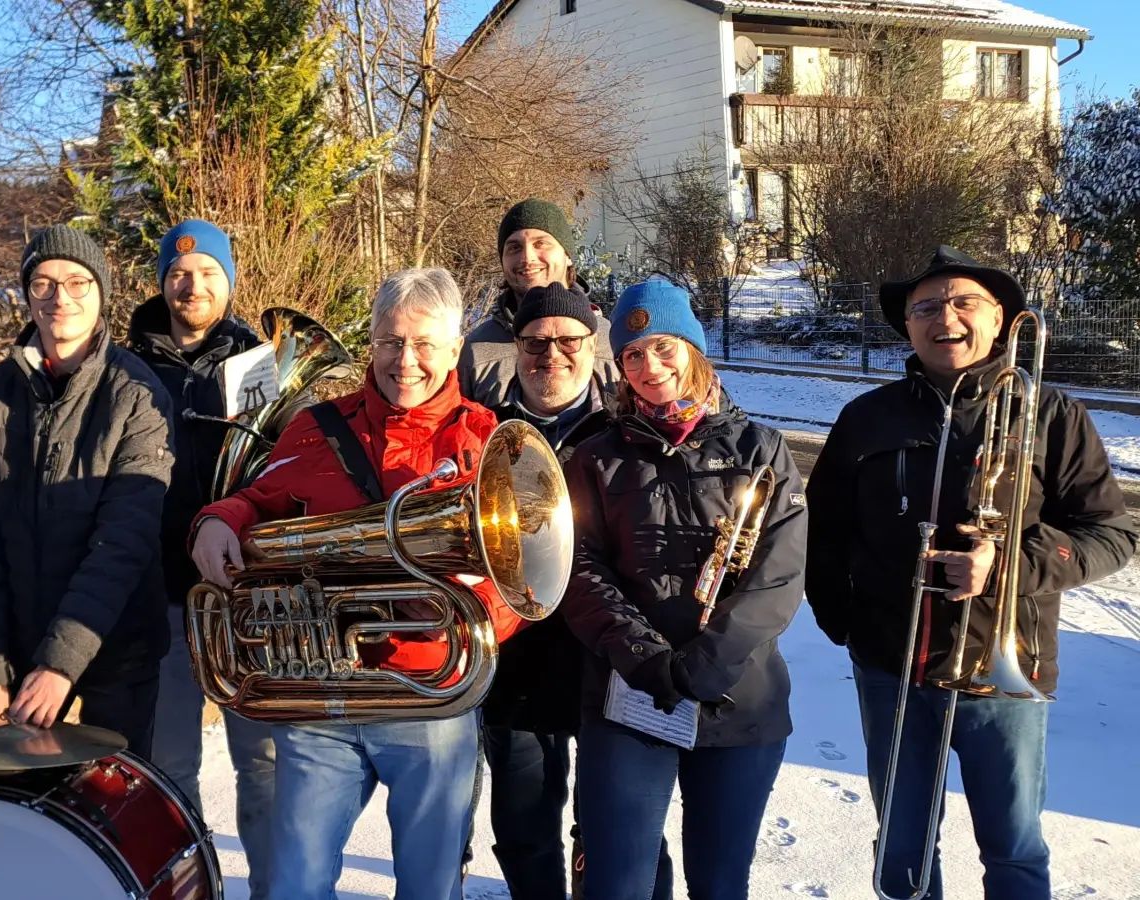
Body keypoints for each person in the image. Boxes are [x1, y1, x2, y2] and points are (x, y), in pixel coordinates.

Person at [805, 246, 1138, 900]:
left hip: (1006, 674)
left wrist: (1010, 561)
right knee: (901, 850)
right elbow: (824, 531)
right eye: (924, 307)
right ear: (906, 326)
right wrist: (842, 623)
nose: (944, 318)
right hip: (891, 670)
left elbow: (1113, 532)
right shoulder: (865, 419)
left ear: (999, 319)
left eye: (963, 303)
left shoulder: (1051, 415)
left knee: (1013, 849)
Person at [190, 267, 529, 900]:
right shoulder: (316, 428)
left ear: (455, 349)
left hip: (430, 695)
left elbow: (522, 573)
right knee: (295, 883)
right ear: (371, 343)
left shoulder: (489, 439)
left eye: (426, 344)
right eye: (391, 341)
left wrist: (466, 615)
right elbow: (258, 500)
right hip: (323, 700)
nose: (407, 361)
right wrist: (217, 520)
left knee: (430, 888)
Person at [561, 278, 807, 900]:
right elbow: (578, 567)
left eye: (663, 347)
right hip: (628, 694)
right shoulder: (595, 457)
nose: (650, 366)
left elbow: (778, 575)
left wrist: (706, 664)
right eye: (633, 355)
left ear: (694, 350)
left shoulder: (762, 448)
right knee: (618, 884)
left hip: (738, 697)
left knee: (720, 883)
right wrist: (642, 657)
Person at [0, 224, 173, 753]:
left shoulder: (138, 394)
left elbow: (123, 543)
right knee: (25, 816)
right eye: (43, 284)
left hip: (117, 647)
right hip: (20, 644)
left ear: (101, 294)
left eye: (78, 282)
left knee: (109, 812)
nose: (61, 298)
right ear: (28, 295)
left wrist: (60, 662)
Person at [128, 218, 277, 896]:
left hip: (242, 592)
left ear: (229, 281)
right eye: (180, 274)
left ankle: (279, 886)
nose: (192, 285)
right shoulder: (128, 362)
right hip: (159, 590)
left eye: (209, 273)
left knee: (264, 762)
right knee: (169, 763)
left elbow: (281, 470)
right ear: (162, 281)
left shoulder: (260, 362)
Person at [478, 282, 610, 900]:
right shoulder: (483, 433)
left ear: (590, 345)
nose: (550, 354)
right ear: (515, 349)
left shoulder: (624, 427)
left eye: (567, 340)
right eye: (535, 342)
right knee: (524, 826)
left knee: (612, 827)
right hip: (516, 664)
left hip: (607, 662)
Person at [458, 198, 617, 407]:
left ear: (568, 255)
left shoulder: (612, 342)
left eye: (540, 244)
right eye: (514, 248)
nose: (527, 257)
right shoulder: (476, 350)